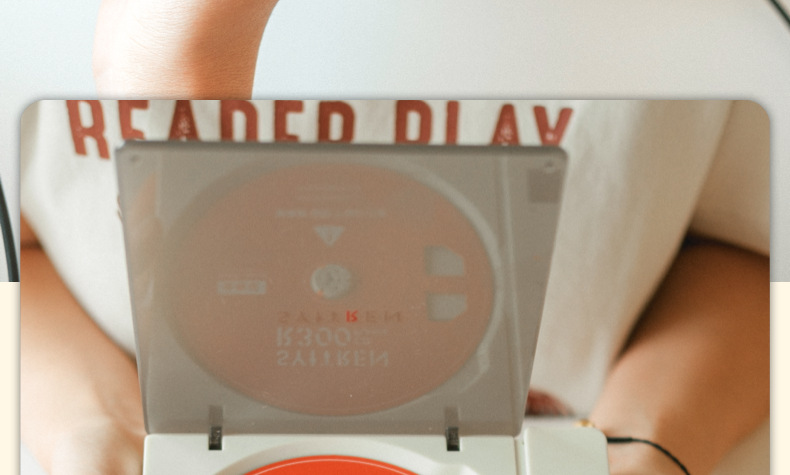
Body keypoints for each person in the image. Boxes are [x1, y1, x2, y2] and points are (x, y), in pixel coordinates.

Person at [22, 2, 772, 474]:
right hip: (131, 416)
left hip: (583, 422)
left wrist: (633, 447)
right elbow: (16, 251)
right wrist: (100, 433)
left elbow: (753, 250)